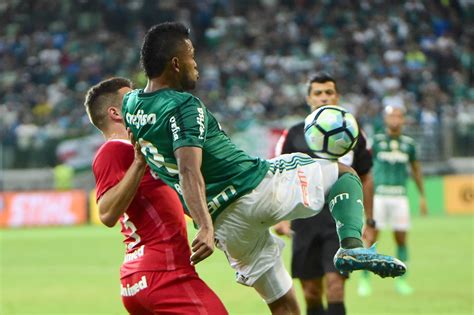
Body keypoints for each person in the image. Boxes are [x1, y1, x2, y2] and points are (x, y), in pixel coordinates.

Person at [123, 22, 406, 315]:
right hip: (254, 188)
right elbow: (188, 169)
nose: (196, 64)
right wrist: (203, 226)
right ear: (175, 63)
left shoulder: (131, 106)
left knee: (283, 303)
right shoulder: (184, 106)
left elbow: (137, 124)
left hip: (227, 228)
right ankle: (350, 243)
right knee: (343, 174)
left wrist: (208, 223)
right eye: (191, 55)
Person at [84, 77, 228, 315]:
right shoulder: (115, 149)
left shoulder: (145, 151)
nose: (140, 102)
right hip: (164, 274)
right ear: (116, 113)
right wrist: (139, 164)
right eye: (130, 99)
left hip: (144, 277)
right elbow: (107, 213)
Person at [273, 72, 375, 315]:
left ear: (337, 96)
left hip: (339, 219)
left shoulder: (352, 132)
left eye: (329, 92)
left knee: (335, 286)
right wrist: (281, 217)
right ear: (309, 99)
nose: (324, 97)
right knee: (311, 292)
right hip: (304, 218)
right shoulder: (293, 134)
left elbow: (366, 177)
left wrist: (368, 222)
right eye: (318, 93)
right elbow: (278, 176)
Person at [358, 105, 428, 297]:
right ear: (385, 119)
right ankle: (364, 280)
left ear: (403, 119)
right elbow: (365, 170)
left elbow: (416, 170)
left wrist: (422, 196)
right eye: (392, 116)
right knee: (371, 238)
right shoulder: (377, 141)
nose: (395, 119)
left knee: (402, 239)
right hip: (379, 196)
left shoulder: (409, 144)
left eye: (399, 116)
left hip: (400, 197)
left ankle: (402, 281)